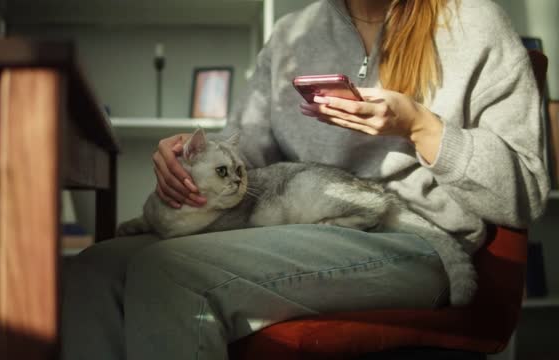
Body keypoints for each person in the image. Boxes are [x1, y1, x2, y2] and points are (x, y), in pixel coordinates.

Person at [62, 0, 549, 359]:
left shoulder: (472, 20)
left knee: (166, 271)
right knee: (95, 268)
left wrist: (422, 127)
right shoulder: (293, 33)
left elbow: (524, 192)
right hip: (294, 227)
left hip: (409, 238)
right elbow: (245, 154)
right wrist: (185, 166)